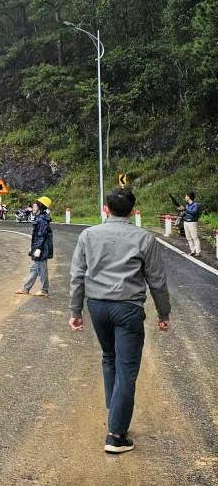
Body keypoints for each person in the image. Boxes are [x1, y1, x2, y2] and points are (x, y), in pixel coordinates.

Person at [69, 188, 171, 455]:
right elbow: (157, 281)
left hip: (97, 306)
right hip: (128, 308)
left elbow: (78, 276)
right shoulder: (144, 239)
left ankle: (114, 409)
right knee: (127, 369)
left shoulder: (88, 235)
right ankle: (116, 435)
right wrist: (164, 314)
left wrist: (75, 311)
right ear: (133, 211)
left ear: (106, 209)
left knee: (109, 358)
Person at [14, 196, 53, 296]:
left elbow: (42, 235)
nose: (33, 208)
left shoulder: (43, 219)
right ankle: (26, 289)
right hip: (38, 247)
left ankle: (44, 290)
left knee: (42, 269)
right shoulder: (39, 218)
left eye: (35, 206)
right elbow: (36, 236)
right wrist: (33, 247)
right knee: (34, 269)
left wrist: (39, 248)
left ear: (41, 207)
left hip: (42, 248)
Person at [183, 191, 202, 256]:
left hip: (192, 222)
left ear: (189, 197)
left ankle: (198, 252)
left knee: (194, 237)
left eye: (186, 196)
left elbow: (194, 212)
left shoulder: (195, 205)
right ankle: (192, 251)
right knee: (188, 237)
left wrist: (185, 210)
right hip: (186, 222)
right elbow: (184, 214)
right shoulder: (186, 205)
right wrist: (181, 211)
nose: (185, 197)